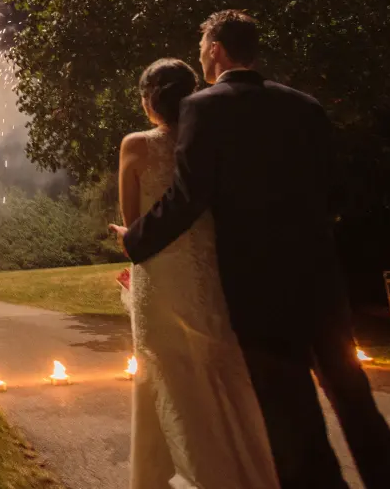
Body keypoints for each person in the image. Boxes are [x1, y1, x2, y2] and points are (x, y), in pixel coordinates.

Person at [113, 11, 390, 489]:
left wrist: (135, 240)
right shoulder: (304, 105)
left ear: (216, 50)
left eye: (202, 50)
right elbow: (338, 191)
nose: (202, 58)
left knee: (293, 411)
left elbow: (188, 198)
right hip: (320, 278)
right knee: (356, 403)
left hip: (258, 286)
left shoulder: (204, 108)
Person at [118, 58, 280, 489]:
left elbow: (133, 227)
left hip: (160, 278)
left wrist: (127, 237)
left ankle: (185, 478)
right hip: (209, 276)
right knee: (219, 375)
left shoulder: (136, 145)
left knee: (165, 376)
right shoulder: (216, 144)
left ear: (150, 101)